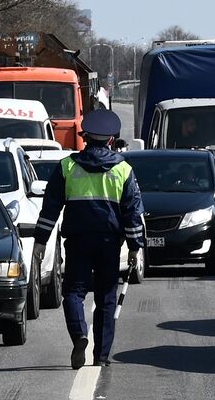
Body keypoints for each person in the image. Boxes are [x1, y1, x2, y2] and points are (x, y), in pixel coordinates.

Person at [35, 109, 145, 368]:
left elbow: (50, 209)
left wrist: (40, 241)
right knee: (106, 297)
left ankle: (80, 335)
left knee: (73, 292)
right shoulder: (123, 170)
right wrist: (134, 247)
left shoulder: (67, 167)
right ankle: (102, 356)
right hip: (108, 243)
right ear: (110, 140)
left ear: (84, 138)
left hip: (77, 242)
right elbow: (133, 212)